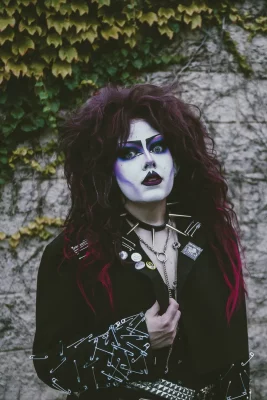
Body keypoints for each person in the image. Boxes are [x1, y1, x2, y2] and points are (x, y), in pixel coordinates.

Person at [31, 84, 252, 400]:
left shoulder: (211, 239)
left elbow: (235, 357)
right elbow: (51, 365)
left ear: (176, 159)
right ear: (106, 168)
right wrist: (134, 338)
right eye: (129, 152)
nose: (149, 161)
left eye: (159, 147)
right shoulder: (75, 253)